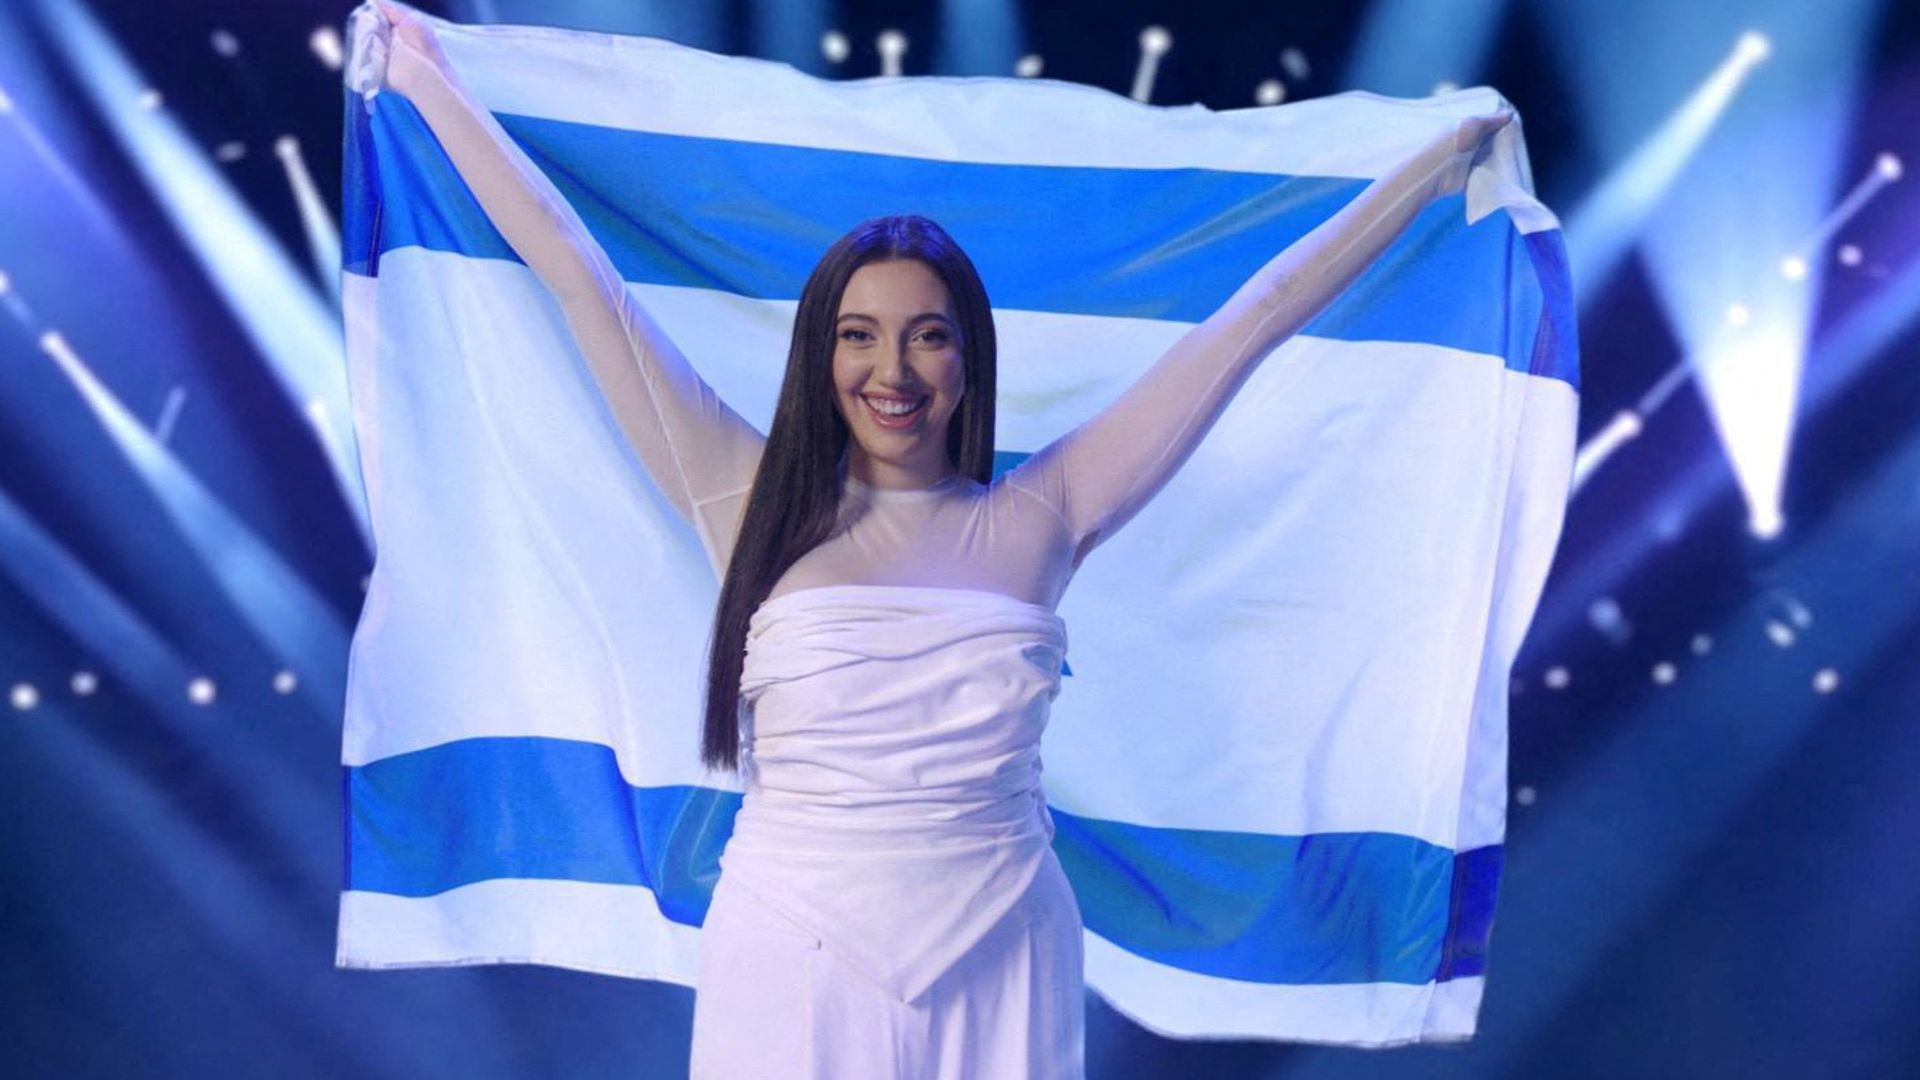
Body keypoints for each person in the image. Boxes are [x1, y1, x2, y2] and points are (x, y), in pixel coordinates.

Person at [365, 2, 1512, 1075]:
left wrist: (1432, 164)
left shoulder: (1047, 512)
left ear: (968, 359)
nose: (892, 368)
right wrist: (426, 79)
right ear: (821, 353)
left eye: (927, 335)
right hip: (791, 947)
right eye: (858, 335)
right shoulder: (743, 497)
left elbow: (1255, 318)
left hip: (1003, 943)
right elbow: (580, 280)